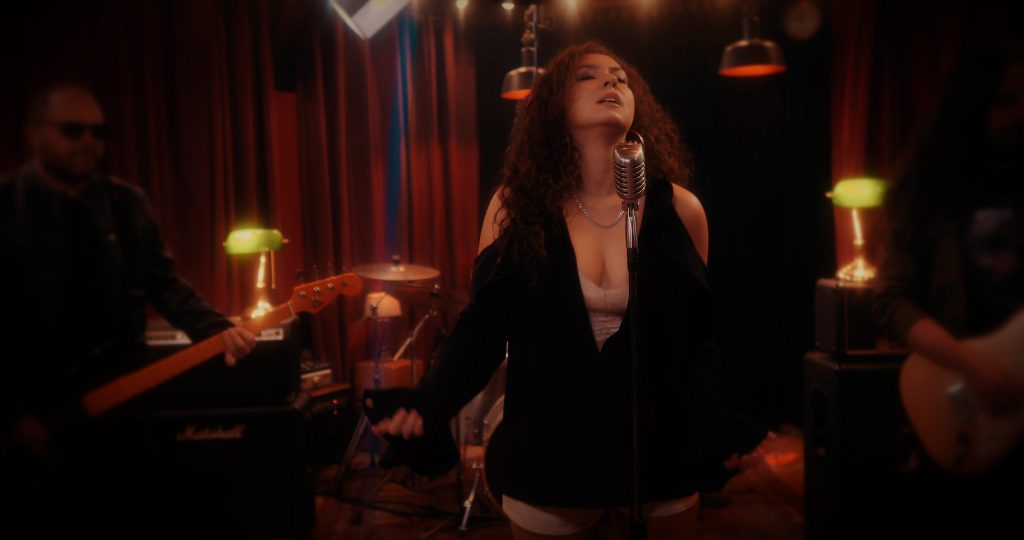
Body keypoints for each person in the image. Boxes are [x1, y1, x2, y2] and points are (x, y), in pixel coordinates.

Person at [363, 42, 767, 539]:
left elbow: (697, 340)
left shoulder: (682, 210)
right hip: (549, 451)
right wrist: (430, 402)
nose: (611, 82)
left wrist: (718, 422)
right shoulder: (514, 208)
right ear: (554, 104)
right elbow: (482, 328)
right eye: (587, 76)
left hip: (659, 451)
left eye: (620, 77)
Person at [0, 84, 256, 535]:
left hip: (122, 398)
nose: (88, 141)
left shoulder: (125, 203)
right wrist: (13, 416)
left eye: (98, 132)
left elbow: (165, 283)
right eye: (73, 130)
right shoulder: (7, 206)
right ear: (35, 134)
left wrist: (217, 329)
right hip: (36, 411)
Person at [873, 47, 1024, 536]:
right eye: (1006, 100)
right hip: (965, 398)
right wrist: (973, 366)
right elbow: (892, 299)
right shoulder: (932, 189)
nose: (1019, 113)